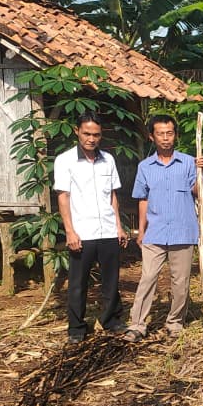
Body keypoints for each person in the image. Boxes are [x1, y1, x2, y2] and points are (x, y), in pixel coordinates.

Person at [124, 115, 203, 342]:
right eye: (160, 133)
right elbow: (142, 199)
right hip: (155, 231)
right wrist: (141, 231)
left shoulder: (190, 162)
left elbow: (198, 192)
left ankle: (175, 322)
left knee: (180, 281)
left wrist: (200, 171)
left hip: (183, 230)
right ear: (152, 136)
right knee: (148, 277)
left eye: (169, 133)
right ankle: (137, 324)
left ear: (175, 135)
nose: (165, 138)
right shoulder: (145, 167)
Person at [53, 111, 128, 344]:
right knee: (78, 282)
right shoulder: (65, 160)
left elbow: (112, 195)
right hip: (82, 232)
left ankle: (111, 320)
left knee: (111, 280)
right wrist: (70, 231)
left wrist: (119, 226)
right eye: (86, 134)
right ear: (77, 132)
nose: (91, 139)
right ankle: (77, 327)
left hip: (107, 229)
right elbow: (63, 197)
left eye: (96, 134)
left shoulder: (108, 159)